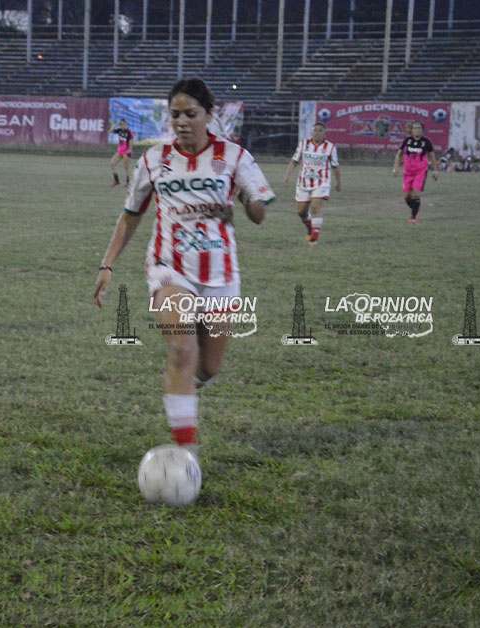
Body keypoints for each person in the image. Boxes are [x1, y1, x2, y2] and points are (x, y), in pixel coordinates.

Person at [92, 78, 276, 453]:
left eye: (191, 114)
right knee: (181, 349)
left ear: (208, 115)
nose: (182, 121)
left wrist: (248, 201)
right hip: (168, 268)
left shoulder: (235, 157)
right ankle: (185, 455)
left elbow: (259, 214)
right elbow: (130, 216)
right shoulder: (153, 160)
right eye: (175, 114)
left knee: (207, 368)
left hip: (221, 274)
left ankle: (184, 388)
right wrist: (106, 265)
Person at [282, 121, 341, 244]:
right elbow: (294, 161)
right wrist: (287, 177)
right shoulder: (304, 144)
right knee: (301, 212)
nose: (317, 133)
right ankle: (310, 227)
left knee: (315, 207)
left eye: (320, 130)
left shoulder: (330, 147)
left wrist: (338, 182)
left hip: (321, 182)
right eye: (315, 130)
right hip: (303, 183)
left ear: (324, 134)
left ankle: (314, 238)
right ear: (311, 132)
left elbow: (335, 166)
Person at [392, 121, 438, 223]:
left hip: (420, 172)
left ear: (422, 130)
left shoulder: (426, 142)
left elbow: (432, 156)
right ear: (412, 130)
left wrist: (435, 171)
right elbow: (399, 154)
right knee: (406, 196)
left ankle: (413, 216)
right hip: (407, 172)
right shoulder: (407, 141)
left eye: (418, 128)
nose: (416, 130)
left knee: (416, 192)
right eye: (414, 128)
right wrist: (396, 167)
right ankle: (416, 209)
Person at [110, 119, 134, 188]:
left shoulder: (129, 132)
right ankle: (116, 181)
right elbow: (111, 131)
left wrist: (129, 149)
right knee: (112, 163)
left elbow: (132, 141)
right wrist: (117, 124)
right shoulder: (119, 130)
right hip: (120, 151)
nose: (122, 125)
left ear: (126, 124)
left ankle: (130, 182)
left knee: (126, 167)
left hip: (126, 152)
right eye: (121, 124)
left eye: (123, 124)